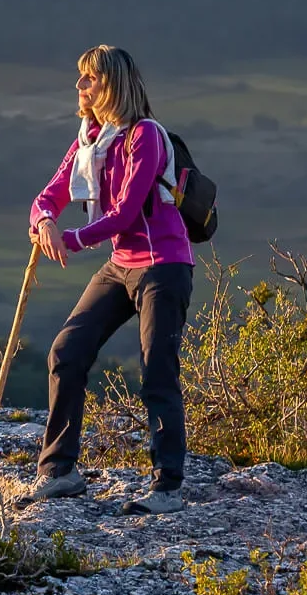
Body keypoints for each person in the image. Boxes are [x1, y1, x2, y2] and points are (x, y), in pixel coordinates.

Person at [19, 44, 195, 516]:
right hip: (121, 264)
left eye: (89, 78)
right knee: (67, 350)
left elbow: (125, 211)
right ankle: (59, 472)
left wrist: (70, 238)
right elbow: (47, 196)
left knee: (157, 365)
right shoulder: (89, 142)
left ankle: (167, 484)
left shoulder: (145, 137)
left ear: (112, 84)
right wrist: (44, 224)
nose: (81, 86)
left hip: (163, 264)